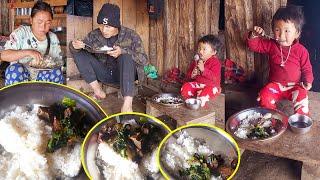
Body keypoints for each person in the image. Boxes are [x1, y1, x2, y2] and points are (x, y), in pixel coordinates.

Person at [70, 3, 148, 112]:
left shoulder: (131, 35)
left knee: (125, 56)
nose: (104, 30)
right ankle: (98, 91)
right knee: (77, 51)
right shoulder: (94, 35)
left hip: (126, 77)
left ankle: (127, 105)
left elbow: (144, 59)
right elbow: (80, 48)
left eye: (107, 26)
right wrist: (75, 45)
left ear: (116, 25)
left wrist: (123, 51)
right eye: (101, 25)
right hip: (105, 74)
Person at [247, 5, 313, 115]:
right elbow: (254, 46)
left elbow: (307, 69)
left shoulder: (301, 51)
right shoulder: (272, 45)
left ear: (297, 33)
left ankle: (300, 119)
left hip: (294, 86)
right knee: (264, 95)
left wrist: (308, 82)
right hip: (275, 86)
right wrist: (254, 35)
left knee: (302, 96)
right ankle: (272, 118)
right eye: (277, 30)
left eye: (287, 31)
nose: (281, 35)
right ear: (273, 30)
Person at [0, 1, 64, 86]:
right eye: (39, 22)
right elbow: (3, 55)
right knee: (14, 69)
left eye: (47, 23)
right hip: (20, 78)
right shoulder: (21, 33)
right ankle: (18, 97)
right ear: (31, 20)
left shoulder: (53, 38)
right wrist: (28, 52)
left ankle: (46, 98)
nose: (43, 27)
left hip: (42, 81)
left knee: (56, 72)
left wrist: (48, 62)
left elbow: (59, 62)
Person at [181, 35, 222, 107]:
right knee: (185, 87)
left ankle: (199, 105)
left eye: (204, 49)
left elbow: (215, 78)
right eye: (199, 48)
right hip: (198, 85)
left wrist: (203, 70)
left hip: (211, 86)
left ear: (213, 52)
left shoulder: (215, 63)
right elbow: (188, 76)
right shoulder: (196, 61)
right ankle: (190, 103)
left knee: (204, 94)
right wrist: (192, 75)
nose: (200, 51)